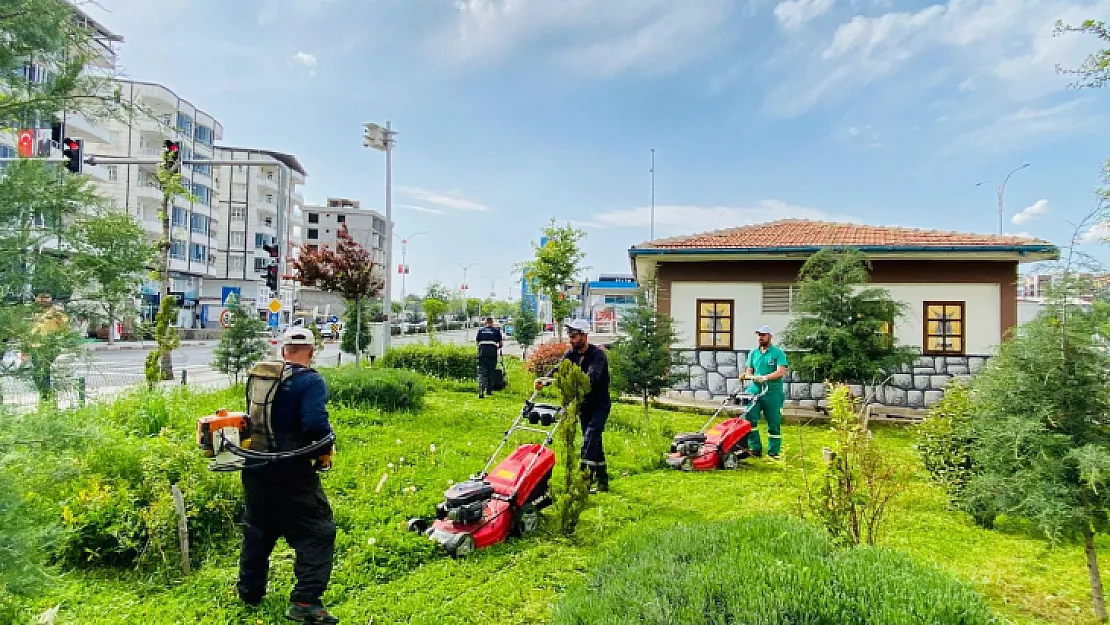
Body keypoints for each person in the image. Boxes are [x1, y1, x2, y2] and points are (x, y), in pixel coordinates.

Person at [237, 327, 339, 624]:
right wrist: (327, 441)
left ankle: (249, 592)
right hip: (290, 470)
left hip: (254, 465)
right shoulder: (310, 381)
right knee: (318, 531)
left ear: (284, 351)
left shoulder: (263, 377)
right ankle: (305, 602)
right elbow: (314, 424)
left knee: (258, 528)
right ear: (311, 350)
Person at [562, 319, 611, 493]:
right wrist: (544, 380)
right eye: (570, 336)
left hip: (600, 405)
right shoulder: (571, 355)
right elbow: (558, 370)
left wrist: (576, 382)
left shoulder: (598, 355)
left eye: (574, 336)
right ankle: (603, 480)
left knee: (589, 439)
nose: (571, 340)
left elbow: (592, 377)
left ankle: (585, 480)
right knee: (595, 442)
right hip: (584, 406)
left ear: (584, 335)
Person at [741, 325, 789, 460]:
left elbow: (781, 372)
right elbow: (749, 370)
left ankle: (773, 452)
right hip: (755, 391)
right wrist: (747, 376)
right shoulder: (753, 353)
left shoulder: (778, 353)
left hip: (772, 393)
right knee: (750, 420)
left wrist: (765, 377)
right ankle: (755, 448)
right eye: (759, 335)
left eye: (763, 335)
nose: (760, 337)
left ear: (770, 336)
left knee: (773, 423)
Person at [474, 316, 503, 398]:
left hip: (482, 354)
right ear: (492, 322)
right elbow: (501, 344)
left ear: (485, 322)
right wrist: (496, 348)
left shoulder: (480, 331)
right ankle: (489, 390)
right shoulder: (497, 331)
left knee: (482, 373)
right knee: (491, 372)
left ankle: (481, 390)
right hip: (492, 354)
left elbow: (477, 343)